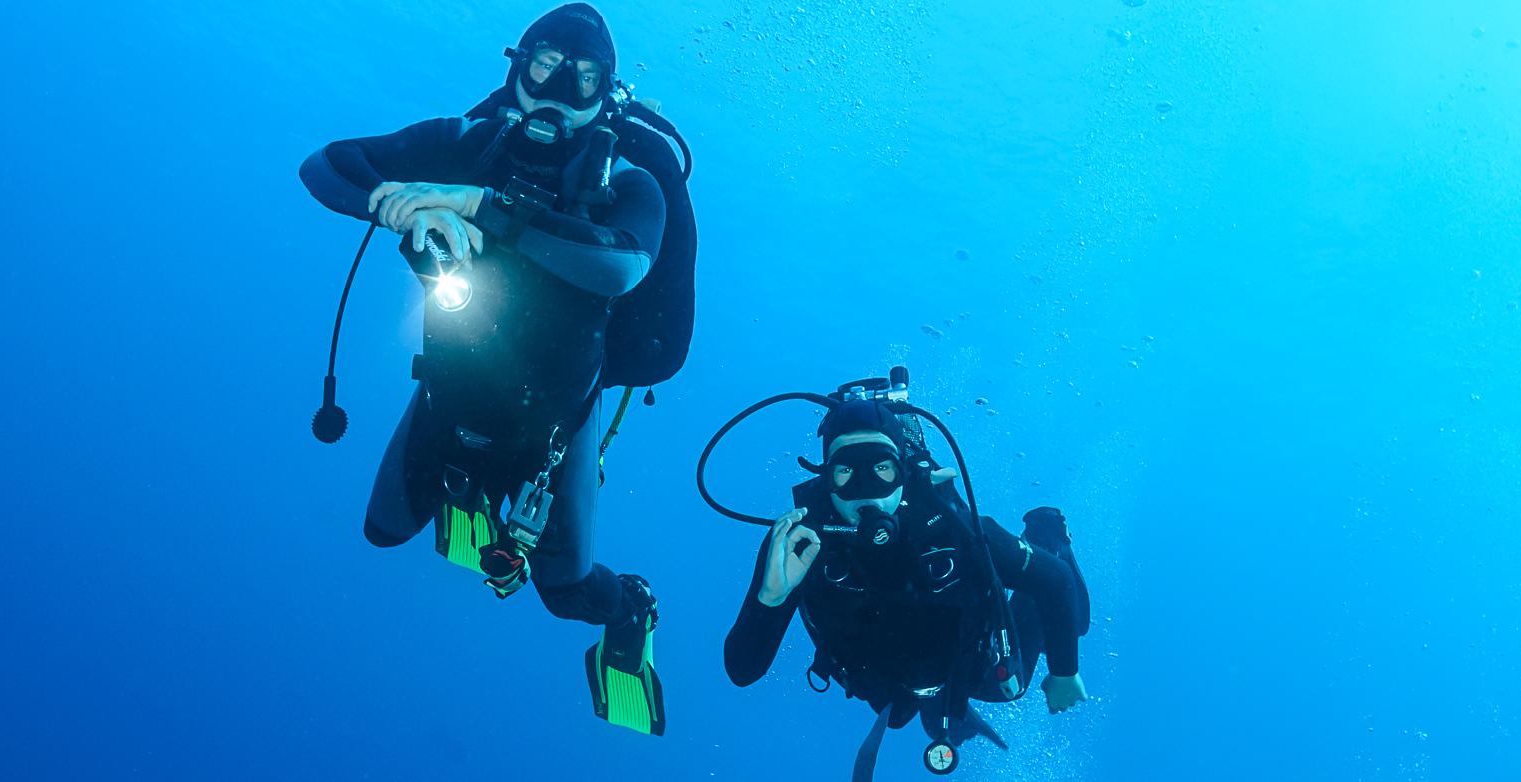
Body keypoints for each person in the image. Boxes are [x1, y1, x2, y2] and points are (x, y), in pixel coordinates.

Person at [297, 3, 695, 736]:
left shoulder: (629, 183)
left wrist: (479, 205)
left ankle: (631, 607)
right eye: (544, 65)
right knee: (382, 532)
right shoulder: (462, 143)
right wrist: (395, 206)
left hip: (556, 431)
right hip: (447, 398)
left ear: (607, 92)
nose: (558, 92)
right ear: (515, 66)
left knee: (566, 590)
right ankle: (470, 491)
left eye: (584, 79)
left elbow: (622, 265)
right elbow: (325, 166)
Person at [722, 397, 1092, 778]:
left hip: (969, 658)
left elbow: (1056, 581)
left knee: (1038, 656)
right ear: (825, 477)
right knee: (902, 712)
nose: (867, 491)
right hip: (887, 679)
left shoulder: (951, 526)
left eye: (881, 469)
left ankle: (1048, 539)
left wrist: (1064, 671)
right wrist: (771, 599)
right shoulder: (800, 544)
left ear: (903, 471)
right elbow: (742, 670)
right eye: (846, 471)